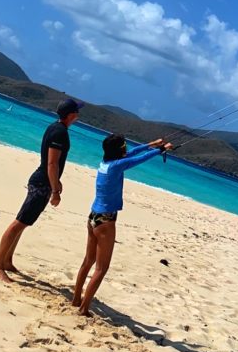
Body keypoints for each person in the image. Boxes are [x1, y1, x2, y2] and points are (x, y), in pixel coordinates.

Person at [72, 134, 172, 316]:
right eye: (123, 146)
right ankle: (84, 309)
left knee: (88, 261)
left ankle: (76, 298)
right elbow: (139, 159)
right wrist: (161, 150)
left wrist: (151, 143)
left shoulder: (106, 162)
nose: (126, 148)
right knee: (101, 268)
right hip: (106, 221)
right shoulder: (117, 166)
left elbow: (132, 153)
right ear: (119, 150)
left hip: (93, 216)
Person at [0, 98, 82, 283]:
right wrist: (55, 190)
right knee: (19, 222)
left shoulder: (55, 127)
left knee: (24, 223)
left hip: (43, 181)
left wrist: (57, 182)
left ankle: (7, 260)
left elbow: (54, 164)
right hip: (41, 183)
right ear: (71, 115)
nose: (78, 115)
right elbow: (52, 163)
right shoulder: (60, 132)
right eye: (77, 112)